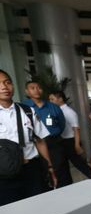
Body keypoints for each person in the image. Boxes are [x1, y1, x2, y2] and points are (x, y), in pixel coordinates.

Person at [0, 69, 56, 205]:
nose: (4, 87)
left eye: (7, 82)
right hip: (4, 175)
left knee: (39, 209)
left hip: (31, 171)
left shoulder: (27, 111)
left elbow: (40, 140)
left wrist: (50, 168)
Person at [22, 80, 67, 186]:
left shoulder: (53, 107)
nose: (36, 90)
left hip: (54, 142)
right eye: (32, 88)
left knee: (60, 171)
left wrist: (54, 134)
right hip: (35, 144)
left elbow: (62, 123)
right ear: (27, 92)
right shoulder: (23, 107)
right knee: (42, 173)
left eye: (38, 87)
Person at [48, 91, 91, 181]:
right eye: (49, 99)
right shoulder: (57, 111)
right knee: (65, 166)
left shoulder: (68, 111)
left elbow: (76, 129)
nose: (50, 101)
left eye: (52, 99)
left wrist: (77, 145)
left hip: (71, 141)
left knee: (79, 164)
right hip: (62, 142)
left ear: (60, 99)